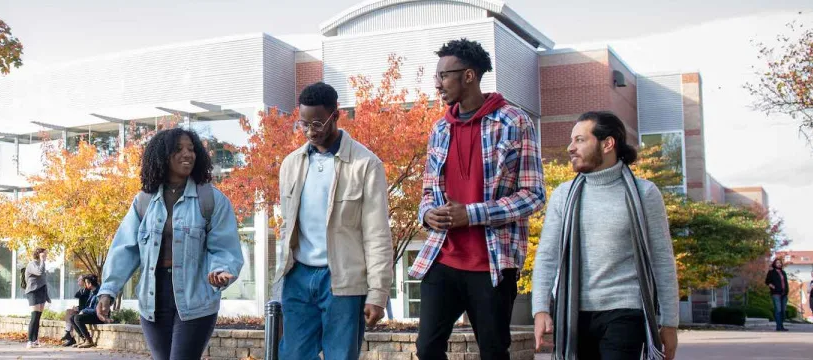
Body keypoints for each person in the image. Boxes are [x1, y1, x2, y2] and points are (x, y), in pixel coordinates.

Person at [413, 38, 545, 360]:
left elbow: (533, 195)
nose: (438, 84)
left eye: (444, 75)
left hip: (492, 262)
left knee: (494, 351)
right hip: (443, 257)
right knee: (427, 348)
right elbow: (428, 192)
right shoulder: (440, 129)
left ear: (469, 76)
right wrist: (427, 214)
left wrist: (472, 214)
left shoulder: (513, 122)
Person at [529, 111, 679, 360]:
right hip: (573, 314)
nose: (570, 148)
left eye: (579, 140)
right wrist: (541, 309)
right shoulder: (564, 195)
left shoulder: (645, 193)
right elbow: (547, 256)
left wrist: (670, 323)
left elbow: (662, 259)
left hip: (626, 310)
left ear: (607, 143)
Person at [95, 127, 244, 360]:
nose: (187, 154)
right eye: (178, 149)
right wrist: (108, 291)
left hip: (196, 298)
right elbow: (125, 248)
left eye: (191, 149)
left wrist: (222, 270)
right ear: (162, 156)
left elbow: (224, 247)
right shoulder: (144, 200)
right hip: (153, 300)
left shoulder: (211, 200)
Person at [273, 82, 395, 360]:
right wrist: (280, 278)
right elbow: (286, 225)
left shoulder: (366, 165)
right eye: (303, 124)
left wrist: (378, 292)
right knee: (292, 355)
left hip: (343, 279)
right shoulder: (291, 163)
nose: (309, 131)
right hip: (299, 276)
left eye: (317, 122)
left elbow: (377, 234)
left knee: (341, 356)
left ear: (336, 116)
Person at [65, 275, 105, 347]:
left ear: (90, 284)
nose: (85, 285)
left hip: (99, 316)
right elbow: (88, 306)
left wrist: (84, 311)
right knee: (72, 318)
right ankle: (84, 339)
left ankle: (89, 340)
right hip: (93, 315)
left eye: (86, 283)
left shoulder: (98, 293)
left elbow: (96, 310)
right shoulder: (92, 292)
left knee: (77, 318)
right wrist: (82, 309)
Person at [25, 248, 51, 348]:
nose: (46, 256)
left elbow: (43, 280)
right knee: (34, 316)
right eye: (44, 254)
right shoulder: (32, 264)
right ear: (39, 254)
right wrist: (42, 260)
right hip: (33, 291)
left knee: (38, 317)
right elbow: (39, 272)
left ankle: (35, 340)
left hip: (42, 291)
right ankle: (29, 341)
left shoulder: (41, 263)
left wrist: (47, 295)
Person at [764, 258, 791, 331]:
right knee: (778, 310)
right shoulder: (771, 272)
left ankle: (781, 326)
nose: (779, 264)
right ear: (774, 264)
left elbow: (785, 282)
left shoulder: (783, 272)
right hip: (776, 293)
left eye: (780, 263)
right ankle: (779, 327)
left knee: (783, 311)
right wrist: (773, 287)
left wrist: (787, 290)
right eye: (777, 263)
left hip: (784, 294)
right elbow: (767, 281)